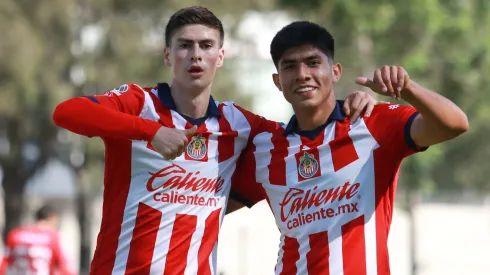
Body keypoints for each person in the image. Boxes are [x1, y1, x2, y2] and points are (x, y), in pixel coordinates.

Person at [52, 6, 378, 275]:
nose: (196, 55)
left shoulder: (239, 124)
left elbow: (305, 134)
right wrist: (150, 132)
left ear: (219, 57)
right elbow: (67, 112)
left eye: (206, 46)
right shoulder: (140, 104)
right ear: (168, 55)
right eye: (185, 45)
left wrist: (349, 104)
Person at [229, 21, 469, 275]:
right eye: (290, 66)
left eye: (313, 62)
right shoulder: (265, 150)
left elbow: (454, 124)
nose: (302, 74)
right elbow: (209, 206)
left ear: (335, 72)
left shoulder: (373, 124)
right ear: (278, 81)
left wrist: (407, 88)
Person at [0, 205, 77, 275]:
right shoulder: (53, 237)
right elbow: (65, 268)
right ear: (52, 219)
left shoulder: (15, 234)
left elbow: (3, 264)